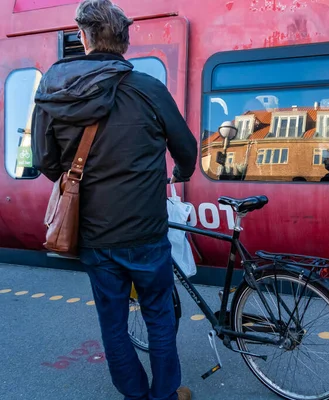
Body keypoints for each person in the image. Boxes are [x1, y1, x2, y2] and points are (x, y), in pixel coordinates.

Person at [31, 1, 197, 399]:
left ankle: (135, 395)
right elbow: (186, 147)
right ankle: (166, 395)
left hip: (94, 235)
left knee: (113, 323)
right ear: (124, 42)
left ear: (84, 38)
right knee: (158, 314)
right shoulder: (148, 88)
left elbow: (45, 162)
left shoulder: (54, 91)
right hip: (146, 231)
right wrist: (181, 173)